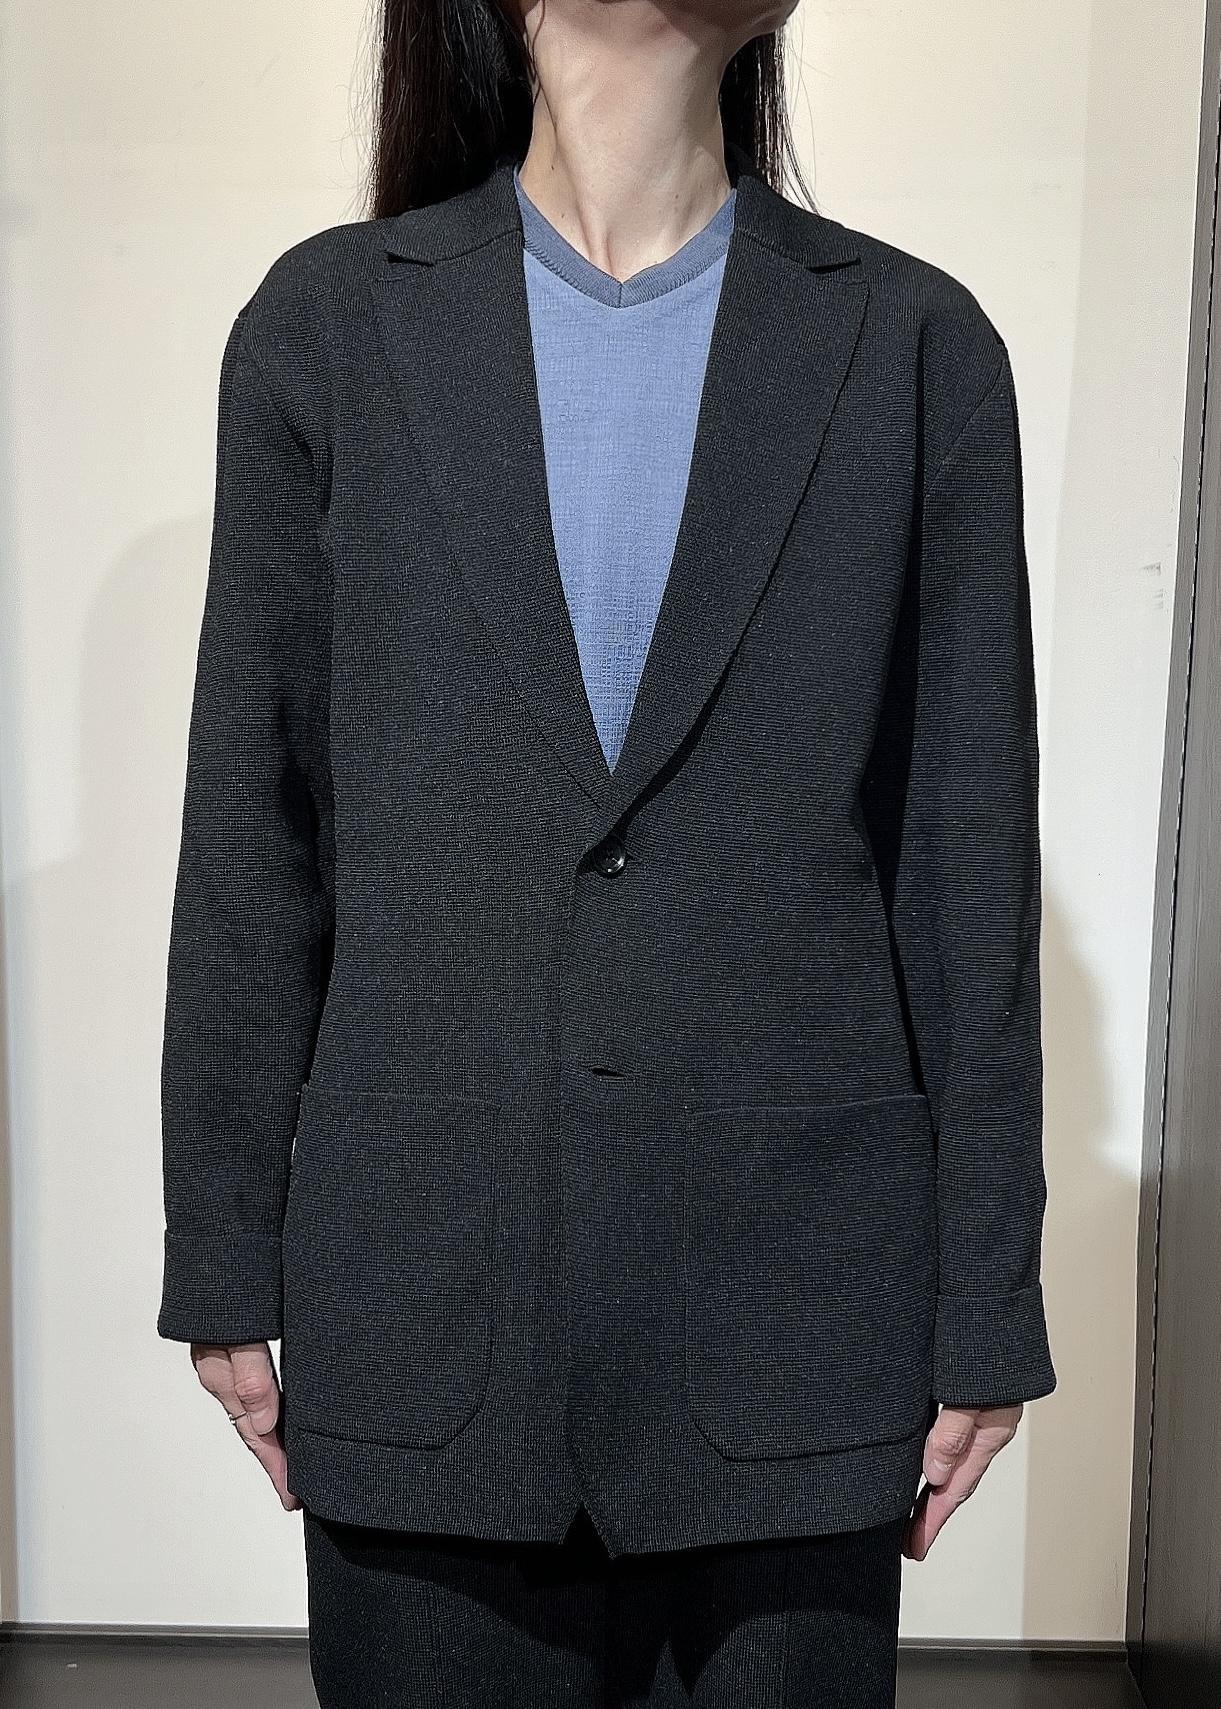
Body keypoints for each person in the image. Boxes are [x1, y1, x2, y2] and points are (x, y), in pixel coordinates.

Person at [156, 0, 1057, 1701]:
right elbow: (252, 834)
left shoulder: (911, 345)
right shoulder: (329, 331)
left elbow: (965, 866)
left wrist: (985, 1296)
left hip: (796, 1322)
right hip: (425, 1302)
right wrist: (221, 1244)